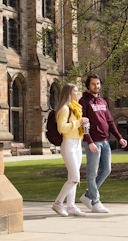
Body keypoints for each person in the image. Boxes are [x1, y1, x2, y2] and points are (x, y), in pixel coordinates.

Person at [79, 74, 127, 213]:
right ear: (88, 85)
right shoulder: (84, 101)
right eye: (93, 84)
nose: (96, 86)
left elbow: (110, 122)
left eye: (98, 84)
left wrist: (119, 138)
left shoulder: (103, 102)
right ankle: (95, 202)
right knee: (92, 173)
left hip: (105, 141)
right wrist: (89, 141)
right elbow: (84, 124)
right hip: (93, 142)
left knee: (106, 170)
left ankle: (88, 195)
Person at [51, 83, 89, 217]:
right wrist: (77, 123)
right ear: (69, 93)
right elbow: (61, 128)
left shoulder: (76, 109)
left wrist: (83, 124)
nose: (78, 93)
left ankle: (71, 206)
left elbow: (75, 126)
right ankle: (58, 203)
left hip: (77, 143)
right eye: (76, 91)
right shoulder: (65, 109)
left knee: (73, 177)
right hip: (68, 144)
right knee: (75, 177)